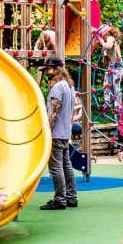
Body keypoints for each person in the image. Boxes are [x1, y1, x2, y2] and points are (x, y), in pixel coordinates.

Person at [39, 58, 78, 210]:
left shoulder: (57, 87)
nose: (46, 73)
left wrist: (47, 131)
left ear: (55, 69)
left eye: (48, 69)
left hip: (56, 133)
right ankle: (71, 196)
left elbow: (54, 113)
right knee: (66, 164)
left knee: (55, 167)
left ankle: (60, 199)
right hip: (65, 132)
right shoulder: (69, 86)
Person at [99, 25, 123, 114]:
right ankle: (107, 103)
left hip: (118, 65)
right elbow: (106, 57)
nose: (102, 37)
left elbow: (108, 46)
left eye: (102, 35)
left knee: (116, 85)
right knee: (106, 84)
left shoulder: (111, 38)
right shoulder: (107, 40)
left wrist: (101, 41)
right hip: (111, 66)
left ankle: (118, 106)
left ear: (106, 33)